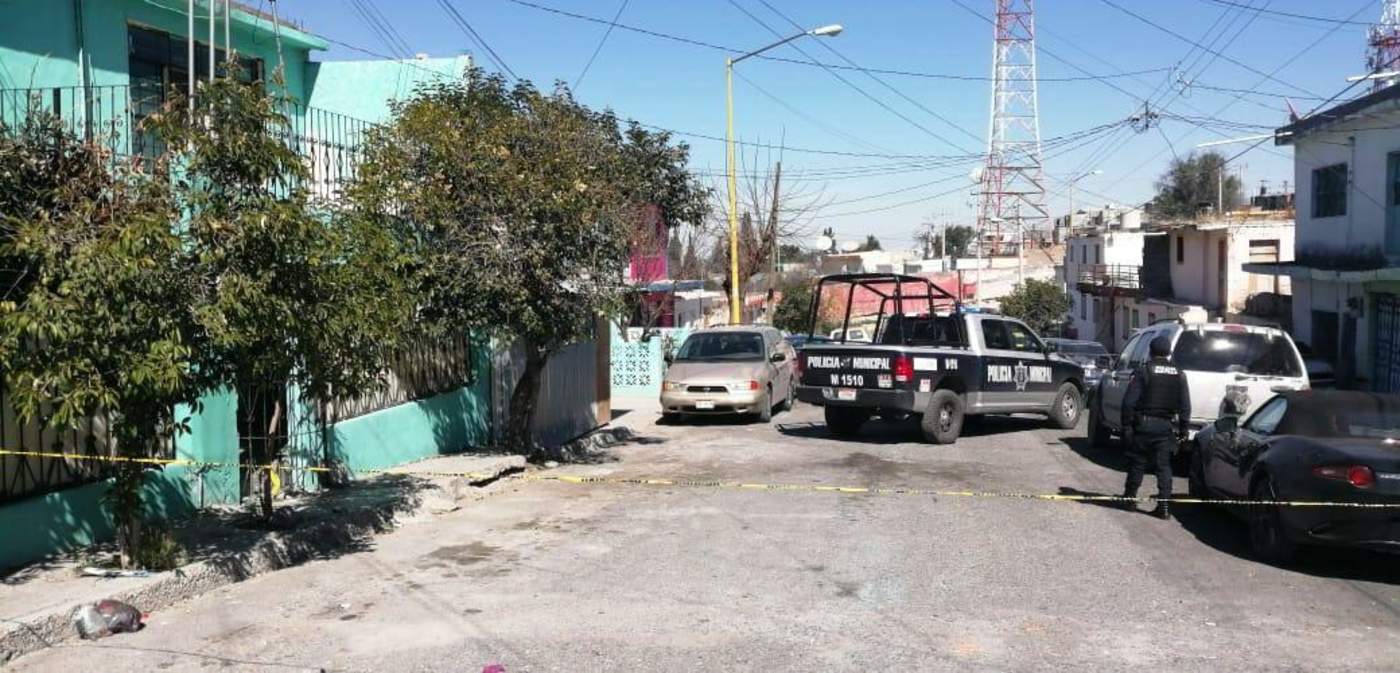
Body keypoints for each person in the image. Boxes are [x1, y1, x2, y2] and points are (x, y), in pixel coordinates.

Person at [1120, 335, 1191, 520]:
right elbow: (1185, 406)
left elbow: (1129, 402)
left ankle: (1129, 499)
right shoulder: (1179, 374)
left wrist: (1127, 426)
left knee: (1138, 463)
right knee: (1164, 467)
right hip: (1165, 427)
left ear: (1151, 351)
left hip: (1144, 425)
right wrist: (1184, 430)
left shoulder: (1144, 371)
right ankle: (1164, 506)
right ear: (1169, 352)